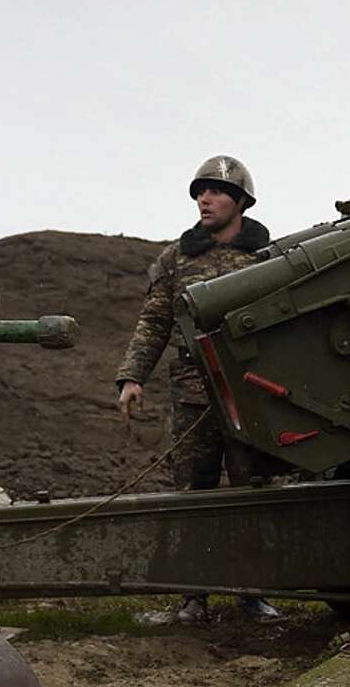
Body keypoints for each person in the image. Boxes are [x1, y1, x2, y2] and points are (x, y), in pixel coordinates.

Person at [115, 154, 282, 624]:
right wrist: (132, 377)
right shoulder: (176, 258)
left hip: (251, 391)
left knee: (253, 490)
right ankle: (193, 598)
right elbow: (154, 321)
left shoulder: (266, 257)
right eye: (199, 192)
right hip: (193, 392)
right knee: (192, 494)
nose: (204, 199)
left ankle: (254, 594)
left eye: (215, 191)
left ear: (241, 201)